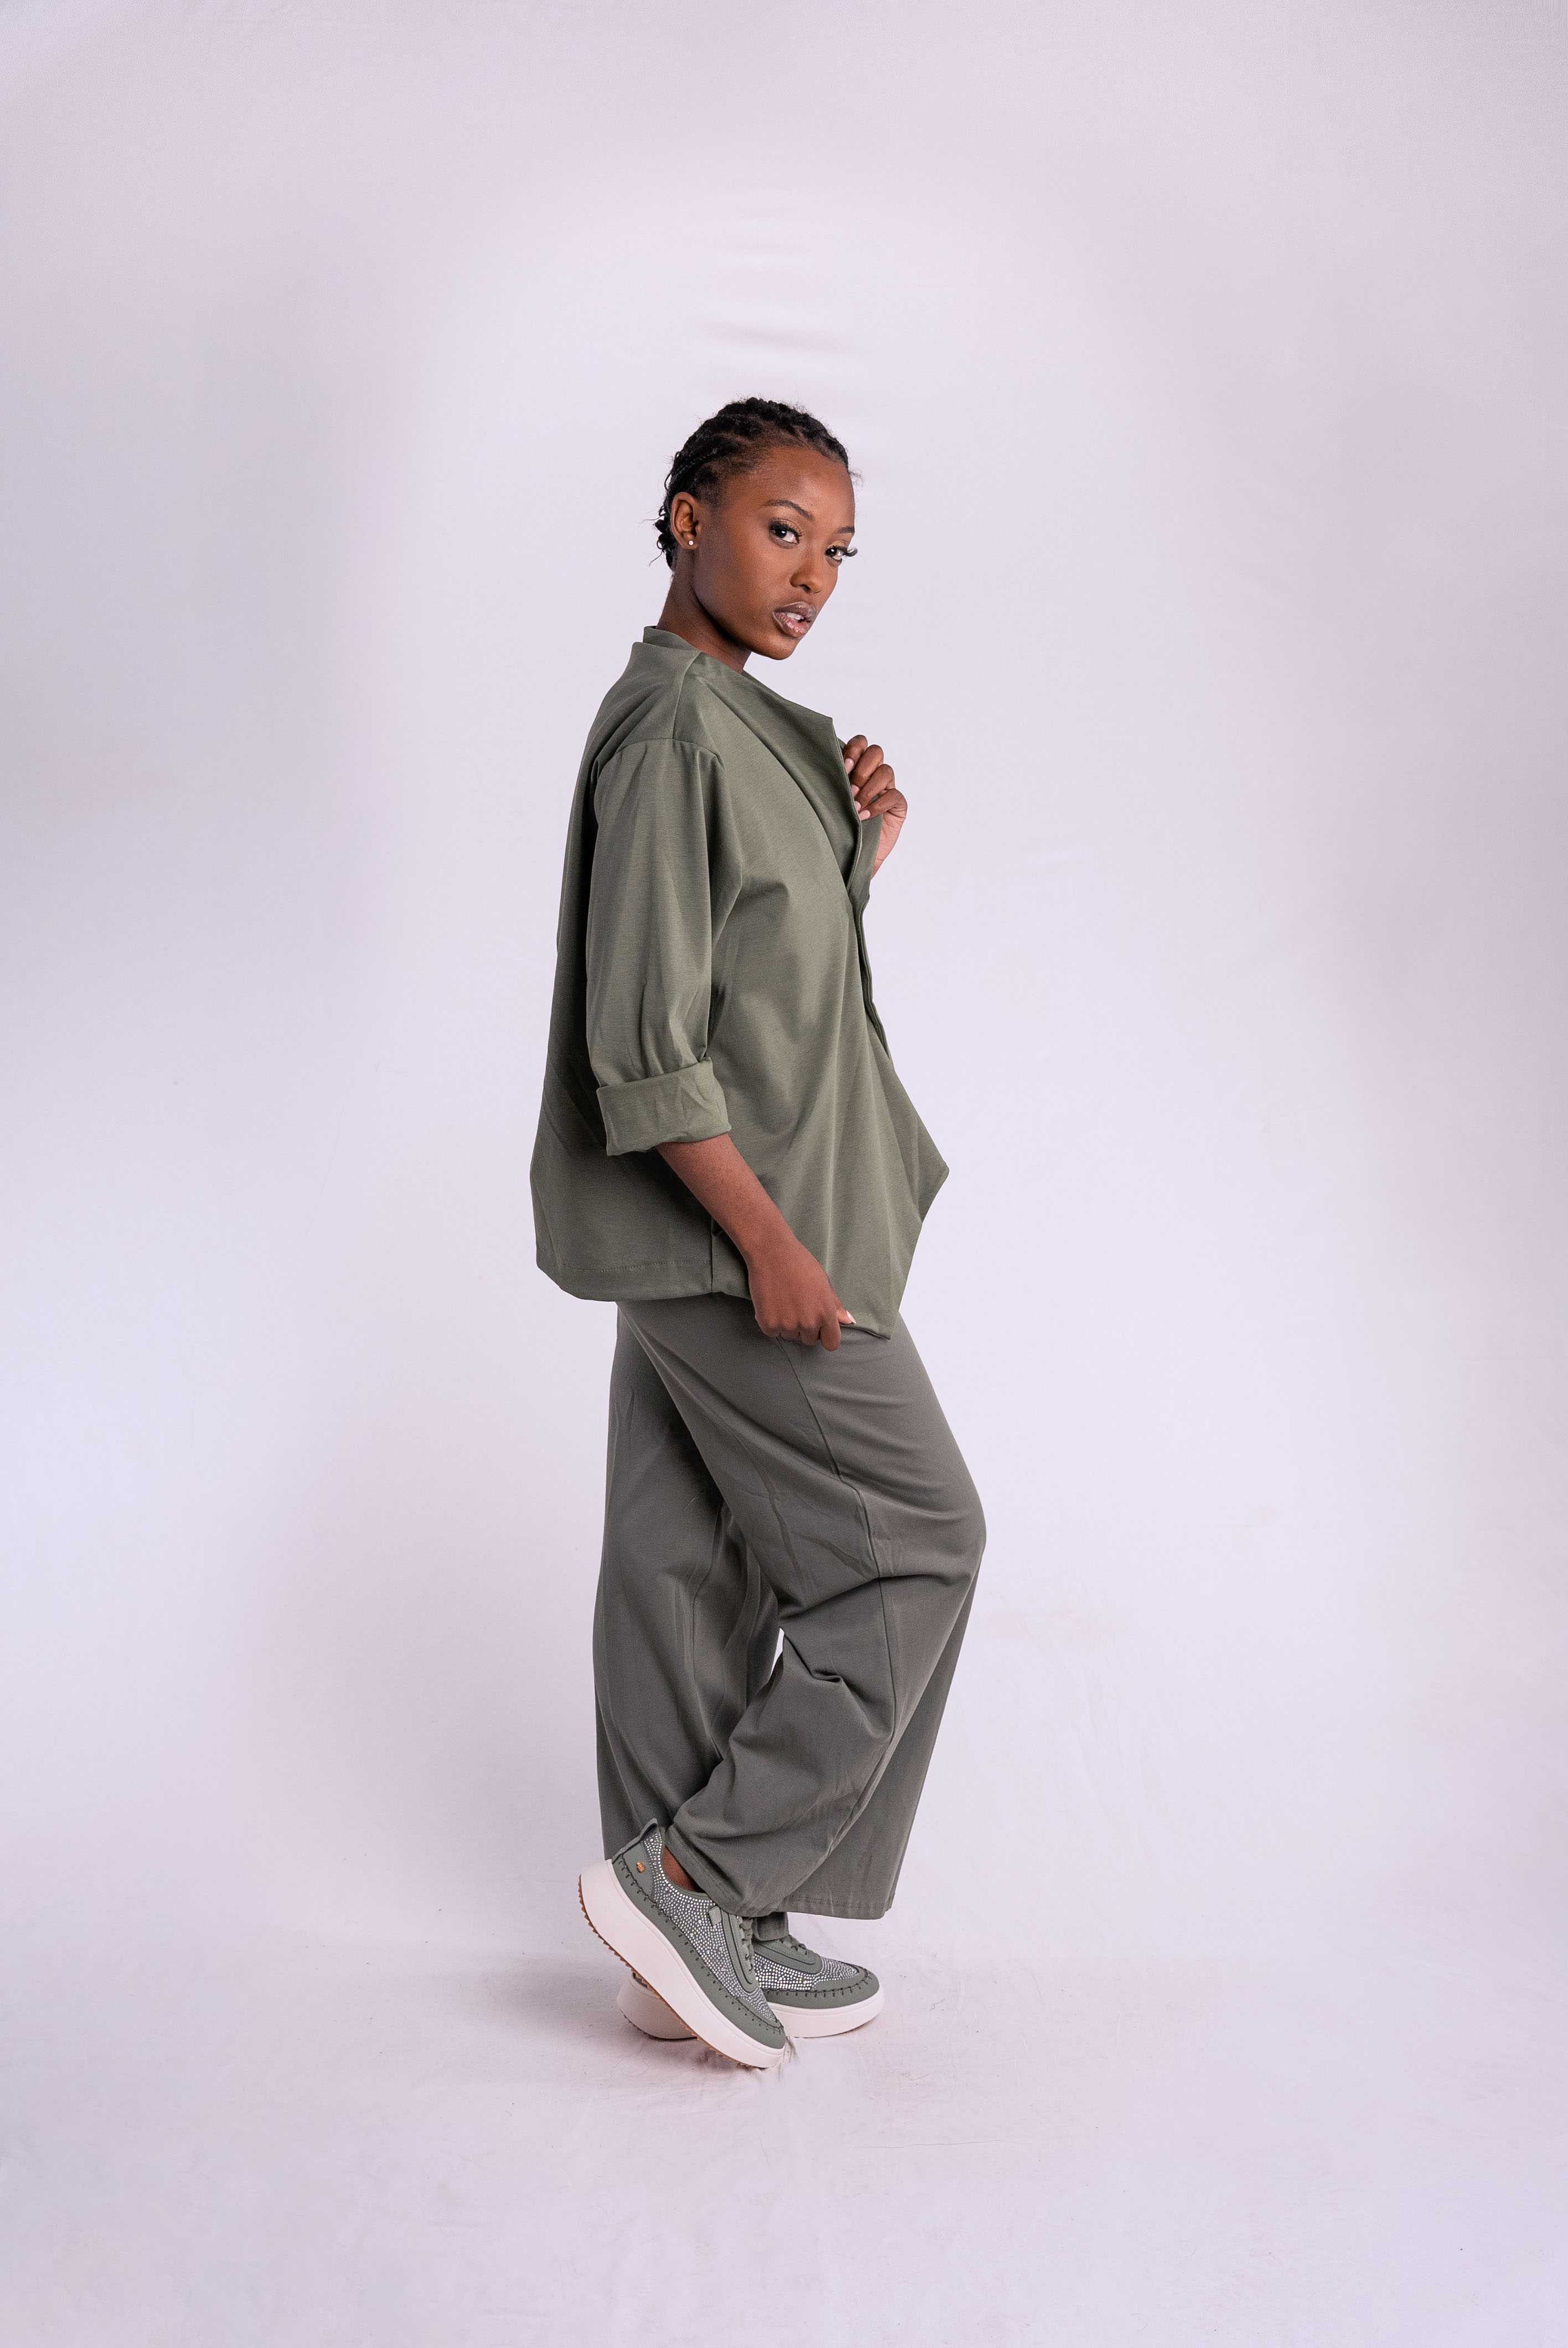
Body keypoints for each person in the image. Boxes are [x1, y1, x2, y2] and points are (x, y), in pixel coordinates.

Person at [530, 398, 985, 2070]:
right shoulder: (673, 730)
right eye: (783, 530)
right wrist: (779, 1249)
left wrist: (855, 853)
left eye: (838, 549)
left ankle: (687, 1952)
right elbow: (644, 1046)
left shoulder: (733, 721)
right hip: (745, 1233)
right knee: (920, 1542)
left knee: (686, 1569)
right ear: (687, 520)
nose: (813, 576)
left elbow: (750, 974)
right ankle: (702, 1879)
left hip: (723, 1229)